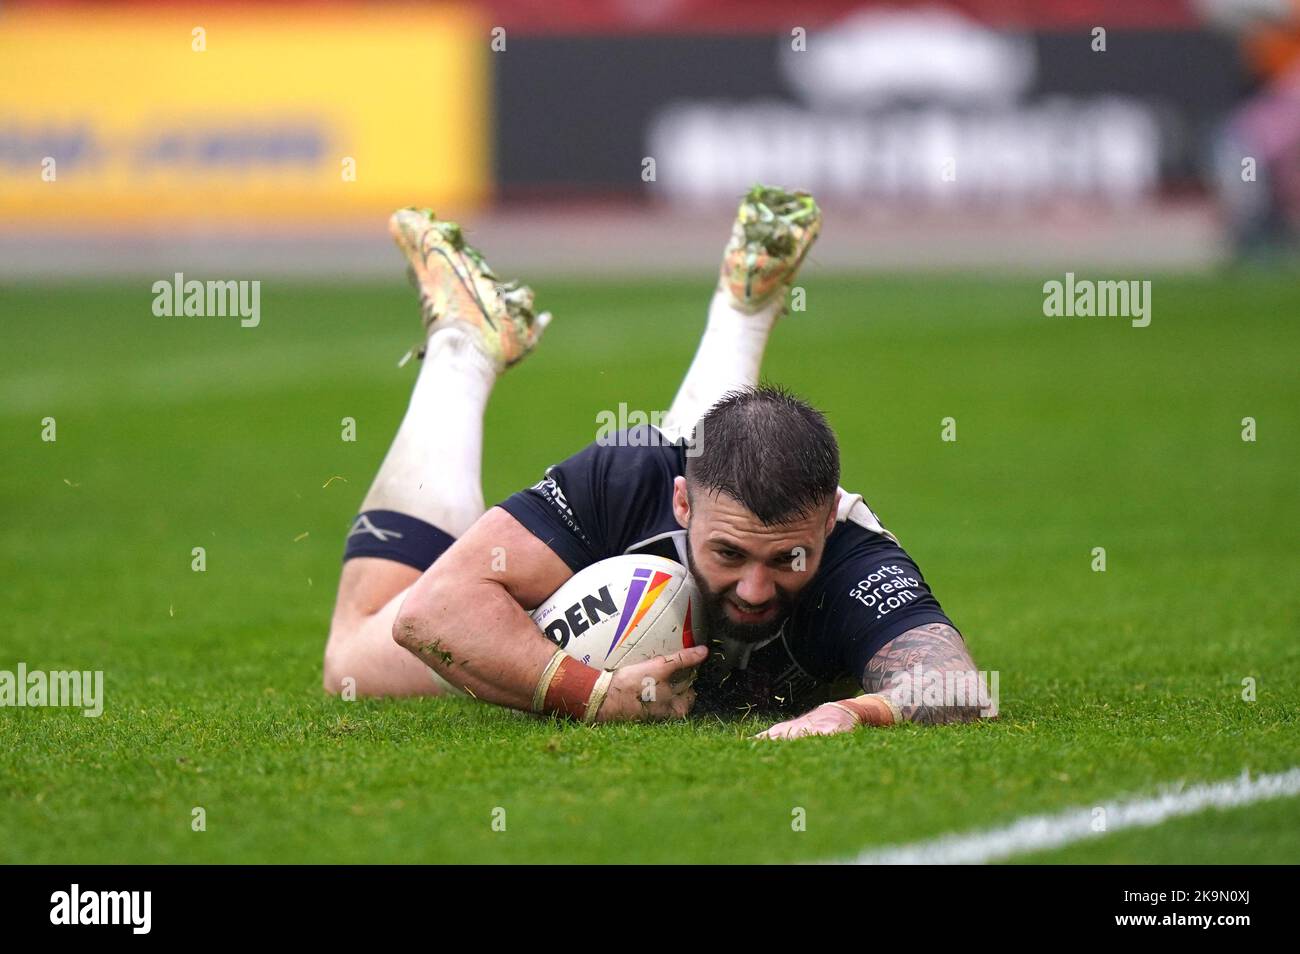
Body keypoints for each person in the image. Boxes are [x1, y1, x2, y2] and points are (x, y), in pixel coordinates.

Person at [323, 186, 988, 738]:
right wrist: (589, 692)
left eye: (787, 559)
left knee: (711, 471)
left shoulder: (856, 558)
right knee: (352, 657)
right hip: (606, 560)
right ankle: (464, 348)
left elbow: (954, 684)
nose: (756, 590)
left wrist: (853, 710)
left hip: (695, 482)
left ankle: (742, 311)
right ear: (680, 504)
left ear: (824, 529)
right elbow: (429, 616)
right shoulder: (628, 475)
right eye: (731, 555)